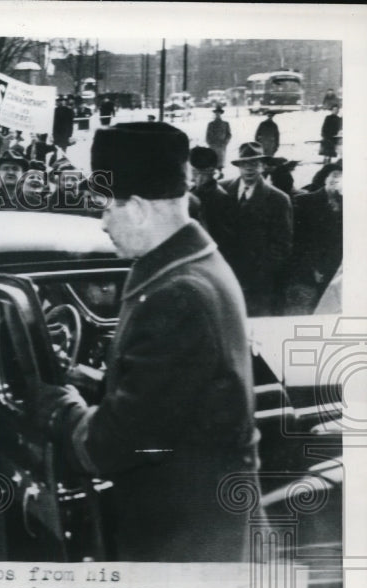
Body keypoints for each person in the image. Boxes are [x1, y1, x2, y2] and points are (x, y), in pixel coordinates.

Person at [34, 121, 260, 562]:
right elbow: (168, 401)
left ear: (136, 207)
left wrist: (58, 405)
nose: (102, 223)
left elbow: (111, 445)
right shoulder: (189, 268)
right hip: (198, 533)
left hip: (186, 549)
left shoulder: (177, 296)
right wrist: (86, 378)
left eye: (107, 208)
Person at [220, 142, 293, 316]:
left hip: (258, 285)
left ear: (263, 166)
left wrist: (259, 274)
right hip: (224, 276)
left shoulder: (278, 199)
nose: (249, 168)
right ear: (238, 166)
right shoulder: (222, 190)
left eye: (254, 163)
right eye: (244, 163)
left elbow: (281, 246)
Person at [286, 162, 342, 313]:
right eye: (335, 175)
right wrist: (313, 268)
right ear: (325, 178)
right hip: (306, 276)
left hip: (335, 276)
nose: (338, 180)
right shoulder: (305, 202)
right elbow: (298, 242)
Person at [188, 146, 231, 238]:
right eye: (192, 172)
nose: (192, 178)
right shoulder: (193, 191)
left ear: (210, 171)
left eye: (195, 172)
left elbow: (222, 238)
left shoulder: (220, 199)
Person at [204, 106, 232, 178]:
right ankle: (212, 174)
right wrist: (209, 143)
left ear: (221, 114)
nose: (217, 115)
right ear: (214, 114)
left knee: (220, 160)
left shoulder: (225, 124)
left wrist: (225, 142)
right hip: (213, 145)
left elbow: (229, 134)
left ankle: (220, 173)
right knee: (212, 159)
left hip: (221, 145)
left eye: (219, 113)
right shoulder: (211, 124)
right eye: (216, 113)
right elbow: (207, 135)